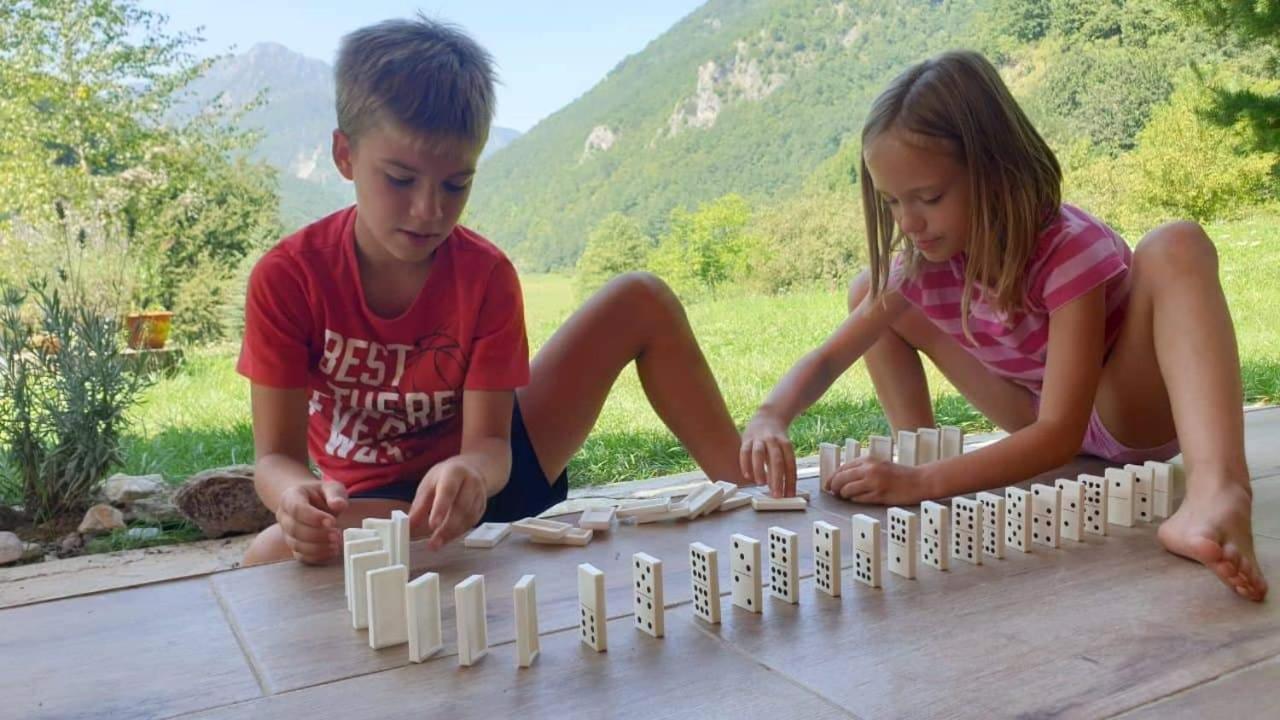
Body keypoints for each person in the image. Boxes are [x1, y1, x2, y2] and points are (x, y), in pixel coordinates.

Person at [739, 50, 1266, 602]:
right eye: (893, 202)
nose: (909, 222)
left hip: (1119, 412)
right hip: (1032, 413)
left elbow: (1061, 432)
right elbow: (828, 358)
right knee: (867, 295)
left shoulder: (1067, 247)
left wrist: (917, 485)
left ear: (995, 170)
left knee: (1176, 243)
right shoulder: (927, 261)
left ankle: (1218, 490)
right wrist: (772, 415)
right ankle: (924, 456)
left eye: (930, 197)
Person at [238, 16, 745, 566]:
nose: (430, 210)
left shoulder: (485, 274)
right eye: (400, 179)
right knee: (267, 556)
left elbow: (490, 446)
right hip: (378, 506)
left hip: (493, 474)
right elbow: (275, 458)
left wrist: (471, 472)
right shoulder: (288, 276)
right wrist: (294, 497)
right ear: (345, 156)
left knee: (640, 298)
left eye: (457, 183)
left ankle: (753, 496)